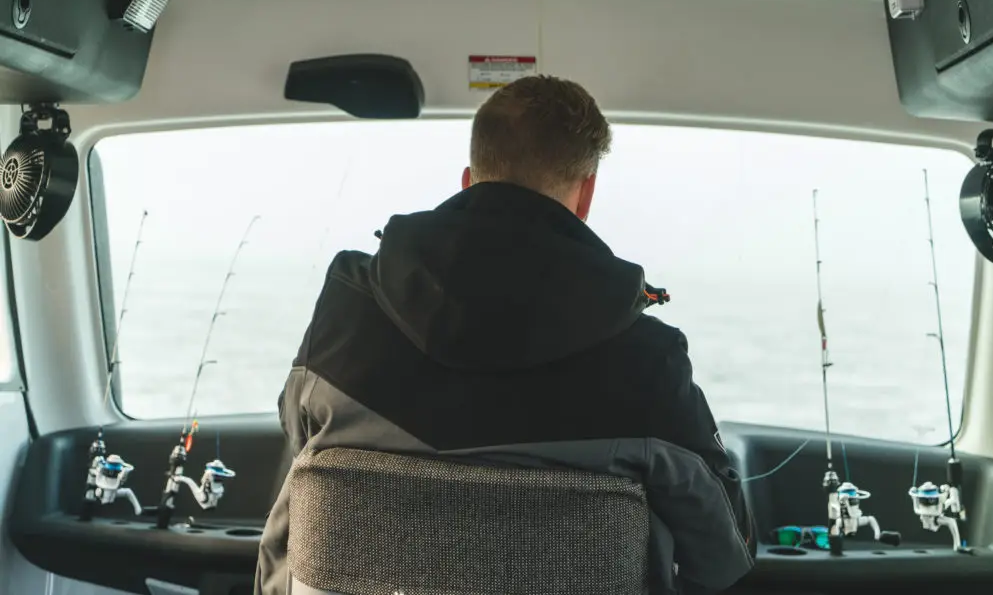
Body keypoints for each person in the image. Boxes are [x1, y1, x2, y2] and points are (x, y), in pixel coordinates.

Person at [255, 75, 756, 595]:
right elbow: (724, 553)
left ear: (470, 180)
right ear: (585, 195)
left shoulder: (347, 308)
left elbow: (300, 435)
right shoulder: (648, 360)